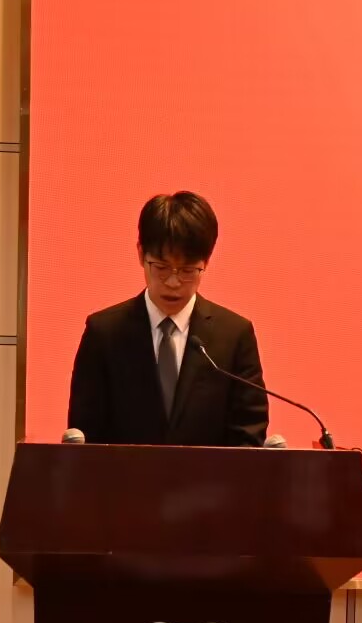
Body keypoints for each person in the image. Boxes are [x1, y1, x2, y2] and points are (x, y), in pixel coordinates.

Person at [66, 191, 268, 446]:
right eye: (161, 268)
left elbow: (248, 436)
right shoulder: (104, 333)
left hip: (211, 474)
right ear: (141, 254)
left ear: (206, 262)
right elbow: (85, 435)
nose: (173, 282)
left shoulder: (235, 336)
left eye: (187, 270)